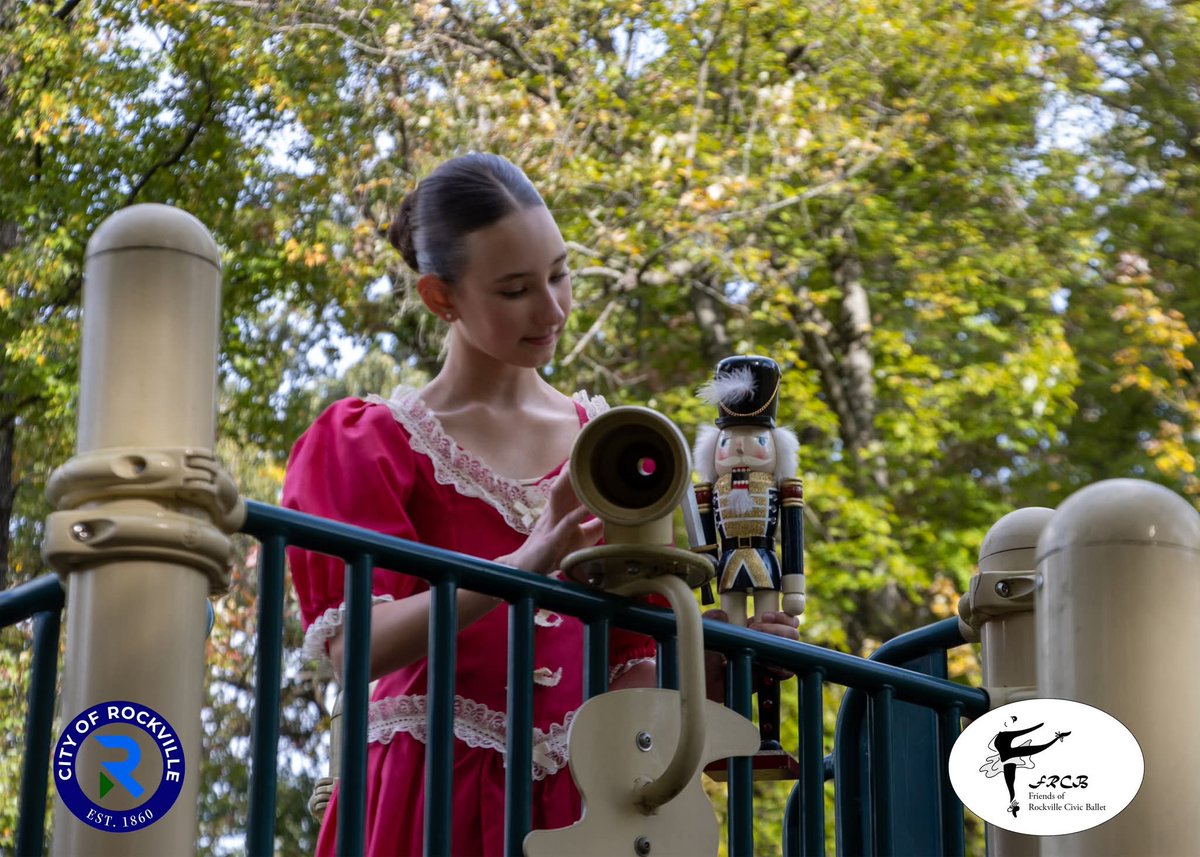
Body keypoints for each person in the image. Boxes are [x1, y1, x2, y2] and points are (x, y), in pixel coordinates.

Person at [282, 152, 799, 856]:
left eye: (559, 273)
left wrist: (720, 655)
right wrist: (524, 562)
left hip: (588, 802)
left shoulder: (613, 442)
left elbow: (629, 662)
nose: (552, 308)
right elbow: (356, 648)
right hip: (430, 793)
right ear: (442, 298)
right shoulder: (371, 441)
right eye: (517, 289)